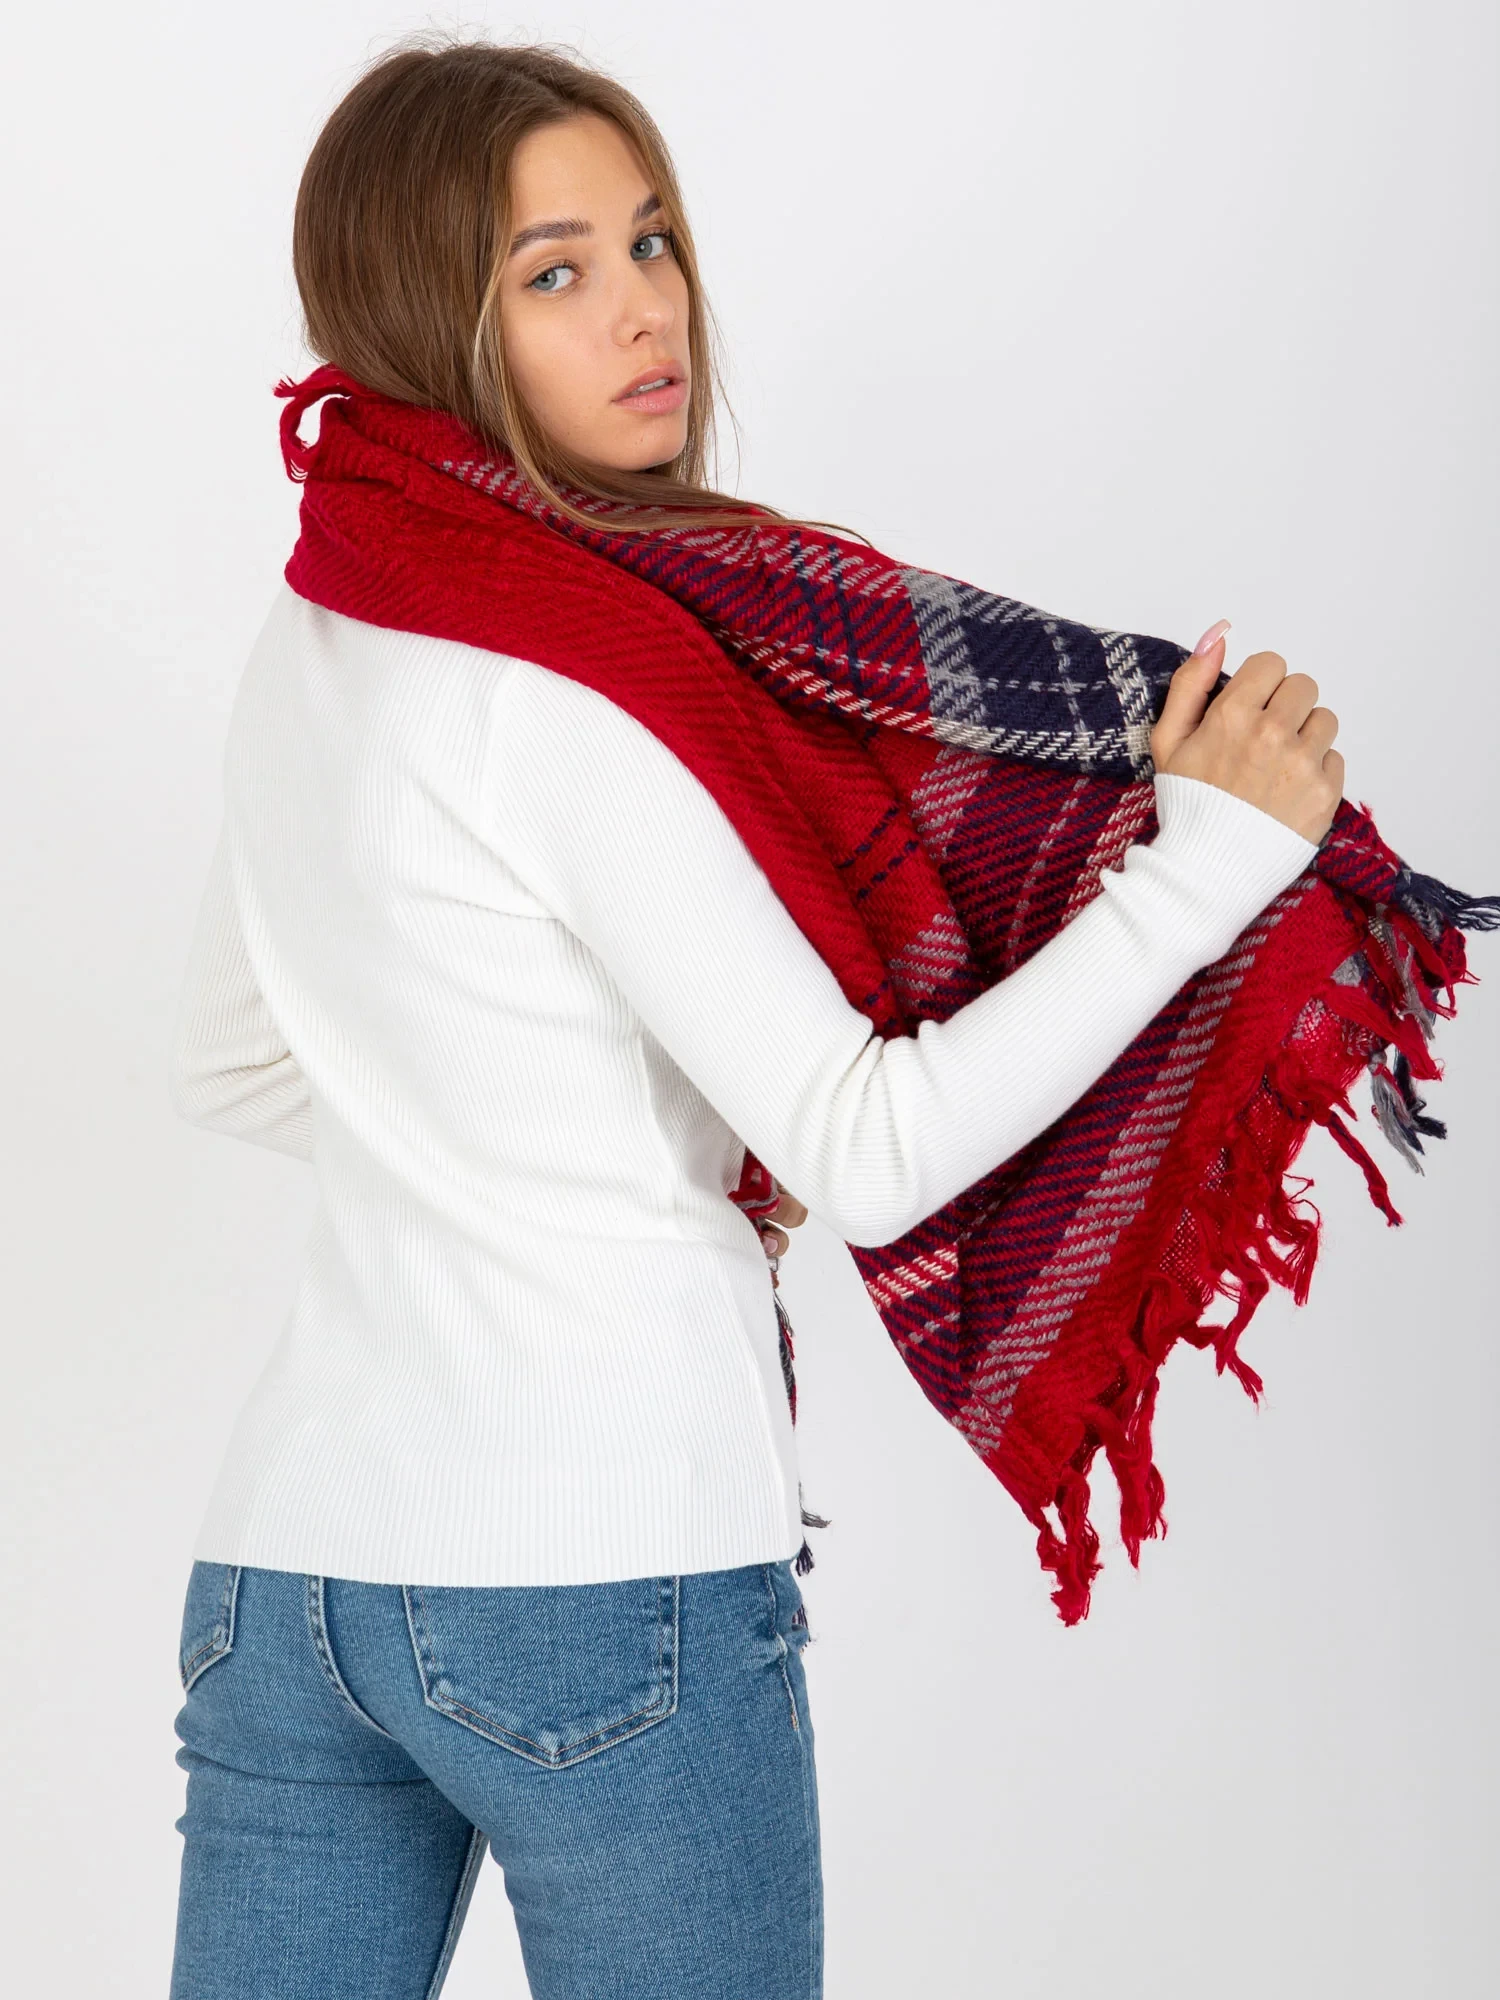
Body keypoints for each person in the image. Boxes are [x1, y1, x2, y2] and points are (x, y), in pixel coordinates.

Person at [163, 34, 1341, 2000]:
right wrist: (1203, 868)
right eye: (552, 272)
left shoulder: (321, 627)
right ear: (426, 317)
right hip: (597, 1563)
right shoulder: (573, 679)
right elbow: (870, 1153)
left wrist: (527, 1139)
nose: (646, 310)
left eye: (650, 240)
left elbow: (235, 1052)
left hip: (286, 1581)